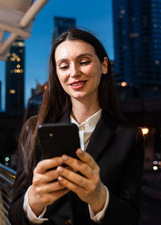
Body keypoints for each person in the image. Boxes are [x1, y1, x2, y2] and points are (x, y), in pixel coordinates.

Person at [8, 28, 145, 225]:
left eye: (84, 62)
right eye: (64, 66)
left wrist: (99, 197)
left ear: (104, 65)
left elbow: (131, 218)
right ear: (56, 73)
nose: (74, 72)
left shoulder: (130, 137)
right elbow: (13, 216)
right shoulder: (34, 130)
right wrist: (34, 200)